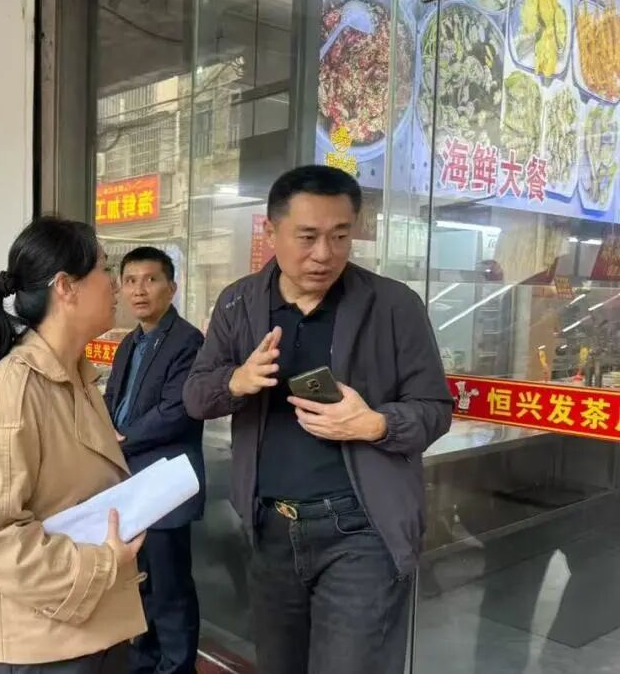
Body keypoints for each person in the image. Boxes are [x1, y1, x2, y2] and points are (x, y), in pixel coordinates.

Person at [183, 165, 453, 674]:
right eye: (307, 237)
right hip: (271, 529)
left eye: (340, 236)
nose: (324, 254)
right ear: (271, 232)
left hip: (362, 530)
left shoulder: (393, 305)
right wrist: (237, 381)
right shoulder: (239, 303)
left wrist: (375, 424)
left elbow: (434, 410)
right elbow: (196, 397)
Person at [0, 216, 147, 673]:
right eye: (103, 268)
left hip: (84, 630)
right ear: (66, 287)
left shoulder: (76, 377)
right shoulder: (13, 394)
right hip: (38, 647)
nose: (115, 284)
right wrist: (103, 564)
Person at [103, 247, 204, 674]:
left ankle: (177, 667)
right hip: (130, 483)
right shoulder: (130, 342)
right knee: (139, 584)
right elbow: (113, 398)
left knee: (171, 589)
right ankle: (144, 663)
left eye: (151, 279)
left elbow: (178, 410)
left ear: (172, 287)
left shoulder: (188, 341)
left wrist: (121, 438)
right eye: (130, 281)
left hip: (164, 484)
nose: (139, 290)